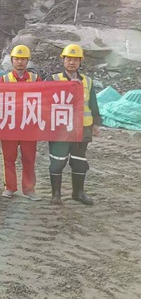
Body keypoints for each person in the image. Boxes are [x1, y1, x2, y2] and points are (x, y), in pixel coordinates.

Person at [47, 44, 100, 205]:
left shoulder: (87, 81)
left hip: (82, 128)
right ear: (63, 60)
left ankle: (78, 193)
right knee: (57, 162)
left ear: (80, 61)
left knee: (79, 161)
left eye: (75, 59)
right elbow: (44, 102)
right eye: (69, 59)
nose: (71, 62)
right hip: (60, 128)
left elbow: (92, 103)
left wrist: (96, 123)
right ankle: (56, 195)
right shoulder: (53, 79)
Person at [0, 45, 42, 201]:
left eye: (23, 59)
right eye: (17, 59)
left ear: (27, 61)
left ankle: (29, 189)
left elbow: (44, 99)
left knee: (29, 159)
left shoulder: (35, 79)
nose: (20, 62)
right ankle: (10, 187)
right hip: (10, 125)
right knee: (9, 158)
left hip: (28, 125)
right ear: (12, 60)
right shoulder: (4, 79)